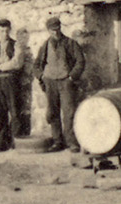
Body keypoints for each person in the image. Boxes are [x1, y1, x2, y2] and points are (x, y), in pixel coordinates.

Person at [32, 15, 85, 152]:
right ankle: (57, 141)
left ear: (60, 28)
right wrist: (42, 76)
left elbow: (80, 61)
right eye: (52, 30)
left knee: (69, 112)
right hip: (50, 82)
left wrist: (72, 77)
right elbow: (36, 65)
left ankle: (72, 142)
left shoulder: (70, 43)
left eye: (57, 29)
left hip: (66, 82)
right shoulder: (45, 46)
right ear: (48, 31)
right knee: (52, 113)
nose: (55, 32)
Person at [0, 20, 22, 151]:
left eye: (7, 31)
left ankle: (16, 141)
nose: (4, 33)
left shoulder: (16, 44)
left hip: (10, 80)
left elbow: (16, 63)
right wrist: (1, 61)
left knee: (14, 110)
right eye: (1, 31)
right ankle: (1, 142)